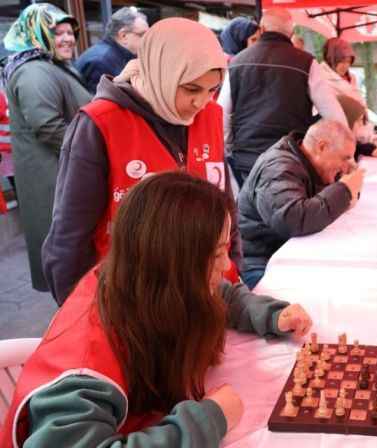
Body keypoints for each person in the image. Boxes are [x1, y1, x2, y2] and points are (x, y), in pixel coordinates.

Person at [0, 171, 313, 448]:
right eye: (216, 254)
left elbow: (219, 293)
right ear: (174, 261)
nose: (227, 266)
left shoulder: (145, 277)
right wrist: (207, 420)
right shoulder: (88, 362)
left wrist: (270, 315)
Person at [42, 17, 238, 306]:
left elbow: (226, 206)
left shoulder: (209, 115)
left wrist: (235, 272)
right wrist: (82, 314)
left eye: (212, 90)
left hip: (205, 296)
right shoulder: (100, 124)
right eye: (191, 89)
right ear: (162, 72)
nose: (201, 102)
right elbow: (69, 237)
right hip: (131, 304)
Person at [1, 3, 92, 293]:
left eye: (70, 32)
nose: (67, 38)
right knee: (67, 255)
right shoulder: (34, 72)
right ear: (36, 33)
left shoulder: (49, 65)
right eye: (57, 32)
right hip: (55, 179)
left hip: (65, 174)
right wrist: (91, 154)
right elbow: (48, 126)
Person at [219, 8, 346, 182]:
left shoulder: (237, 63)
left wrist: (229, 150)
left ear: (262, 28)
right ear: (291, 32)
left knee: (249, 208)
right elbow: (334, 114)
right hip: (289, 160)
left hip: (247, 161)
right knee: (286, 209)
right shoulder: (307, 63)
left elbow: (222, 116)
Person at [237, 120, 364, 289]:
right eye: (345, 158)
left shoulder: (308, 163)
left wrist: (345, 185)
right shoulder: (279, 167)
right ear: (322, 147)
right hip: (259, 262)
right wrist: (344, 190)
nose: (348, 165)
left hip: (282, 253)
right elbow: (291, 220)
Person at [75, 7, 149, 93]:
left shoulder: (114, 56)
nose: (147, 40)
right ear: (123, 36)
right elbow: (99, 103)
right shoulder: (101, 62)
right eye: (142, 35)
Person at [337, 94, 377, 159]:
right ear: (347, 121)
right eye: (358, 121)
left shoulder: (346, 142)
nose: (361, 125)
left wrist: (371, 150)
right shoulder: (337, 149)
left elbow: (357, 147)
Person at [320, 37, 364, 107]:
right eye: (341, 61)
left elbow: (360, 100)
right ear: (331, 59)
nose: (346, 66)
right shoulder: (320, 76)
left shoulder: (351, 78)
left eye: (348, 62)